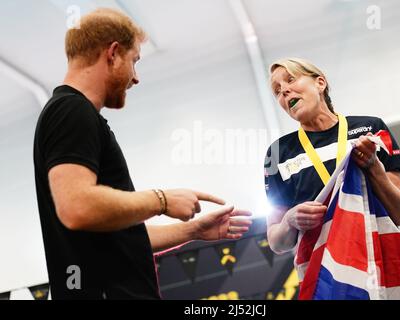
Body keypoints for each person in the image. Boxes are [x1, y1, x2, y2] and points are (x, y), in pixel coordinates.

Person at [33, 8, 251, 300]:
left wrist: (193, 230)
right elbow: (76, 206)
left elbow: (119, 237)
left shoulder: (75, 114)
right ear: (113, 53)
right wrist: (161, 200)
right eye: (134, 61)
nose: (136, 78)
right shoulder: (71, 111)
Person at [264, 58, 400, 255]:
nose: (284, 91)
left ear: (320, 83)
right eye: (277, 90)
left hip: (382, 260)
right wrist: (290, 220)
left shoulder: (371, 128)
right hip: (325, 275)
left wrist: (373, 165)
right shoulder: (278, 153)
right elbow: (276, 243)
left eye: (290, 79)